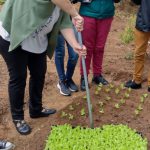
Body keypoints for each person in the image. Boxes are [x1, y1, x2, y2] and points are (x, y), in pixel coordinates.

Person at [0, 0, 86, 135]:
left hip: (36, 38)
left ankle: (36, 109)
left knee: (39, 73)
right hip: (14, 34)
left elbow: (64, 23)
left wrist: (75, 44)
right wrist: (75, 13)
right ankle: (18, 118)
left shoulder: (65, 4)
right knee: (19, 77)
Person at [78, 0, 121, 91]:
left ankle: (97, 75)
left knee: (100, 47)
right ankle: (84, 77)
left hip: (106, 14)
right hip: (88, 13)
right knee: (87, 48)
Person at [125, 0, 150, 92]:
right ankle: (136, 81)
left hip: (142, 21)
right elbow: (136, 1)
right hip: (143, 21)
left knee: (139, 53)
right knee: (139, 53)